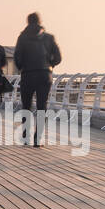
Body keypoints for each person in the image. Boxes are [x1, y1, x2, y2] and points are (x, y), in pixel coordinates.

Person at [13, 12, 62, 145]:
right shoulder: (49, 37)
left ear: (28, 22)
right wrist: (49, 65)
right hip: (44, 75)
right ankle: (37, 139)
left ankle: (25, 137)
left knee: (26, 106)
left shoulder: (22, 38)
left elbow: (17, 57)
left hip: (28, 74)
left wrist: (22, 67)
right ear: (40, 22)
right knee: (42, 106)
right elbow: (58, 57)